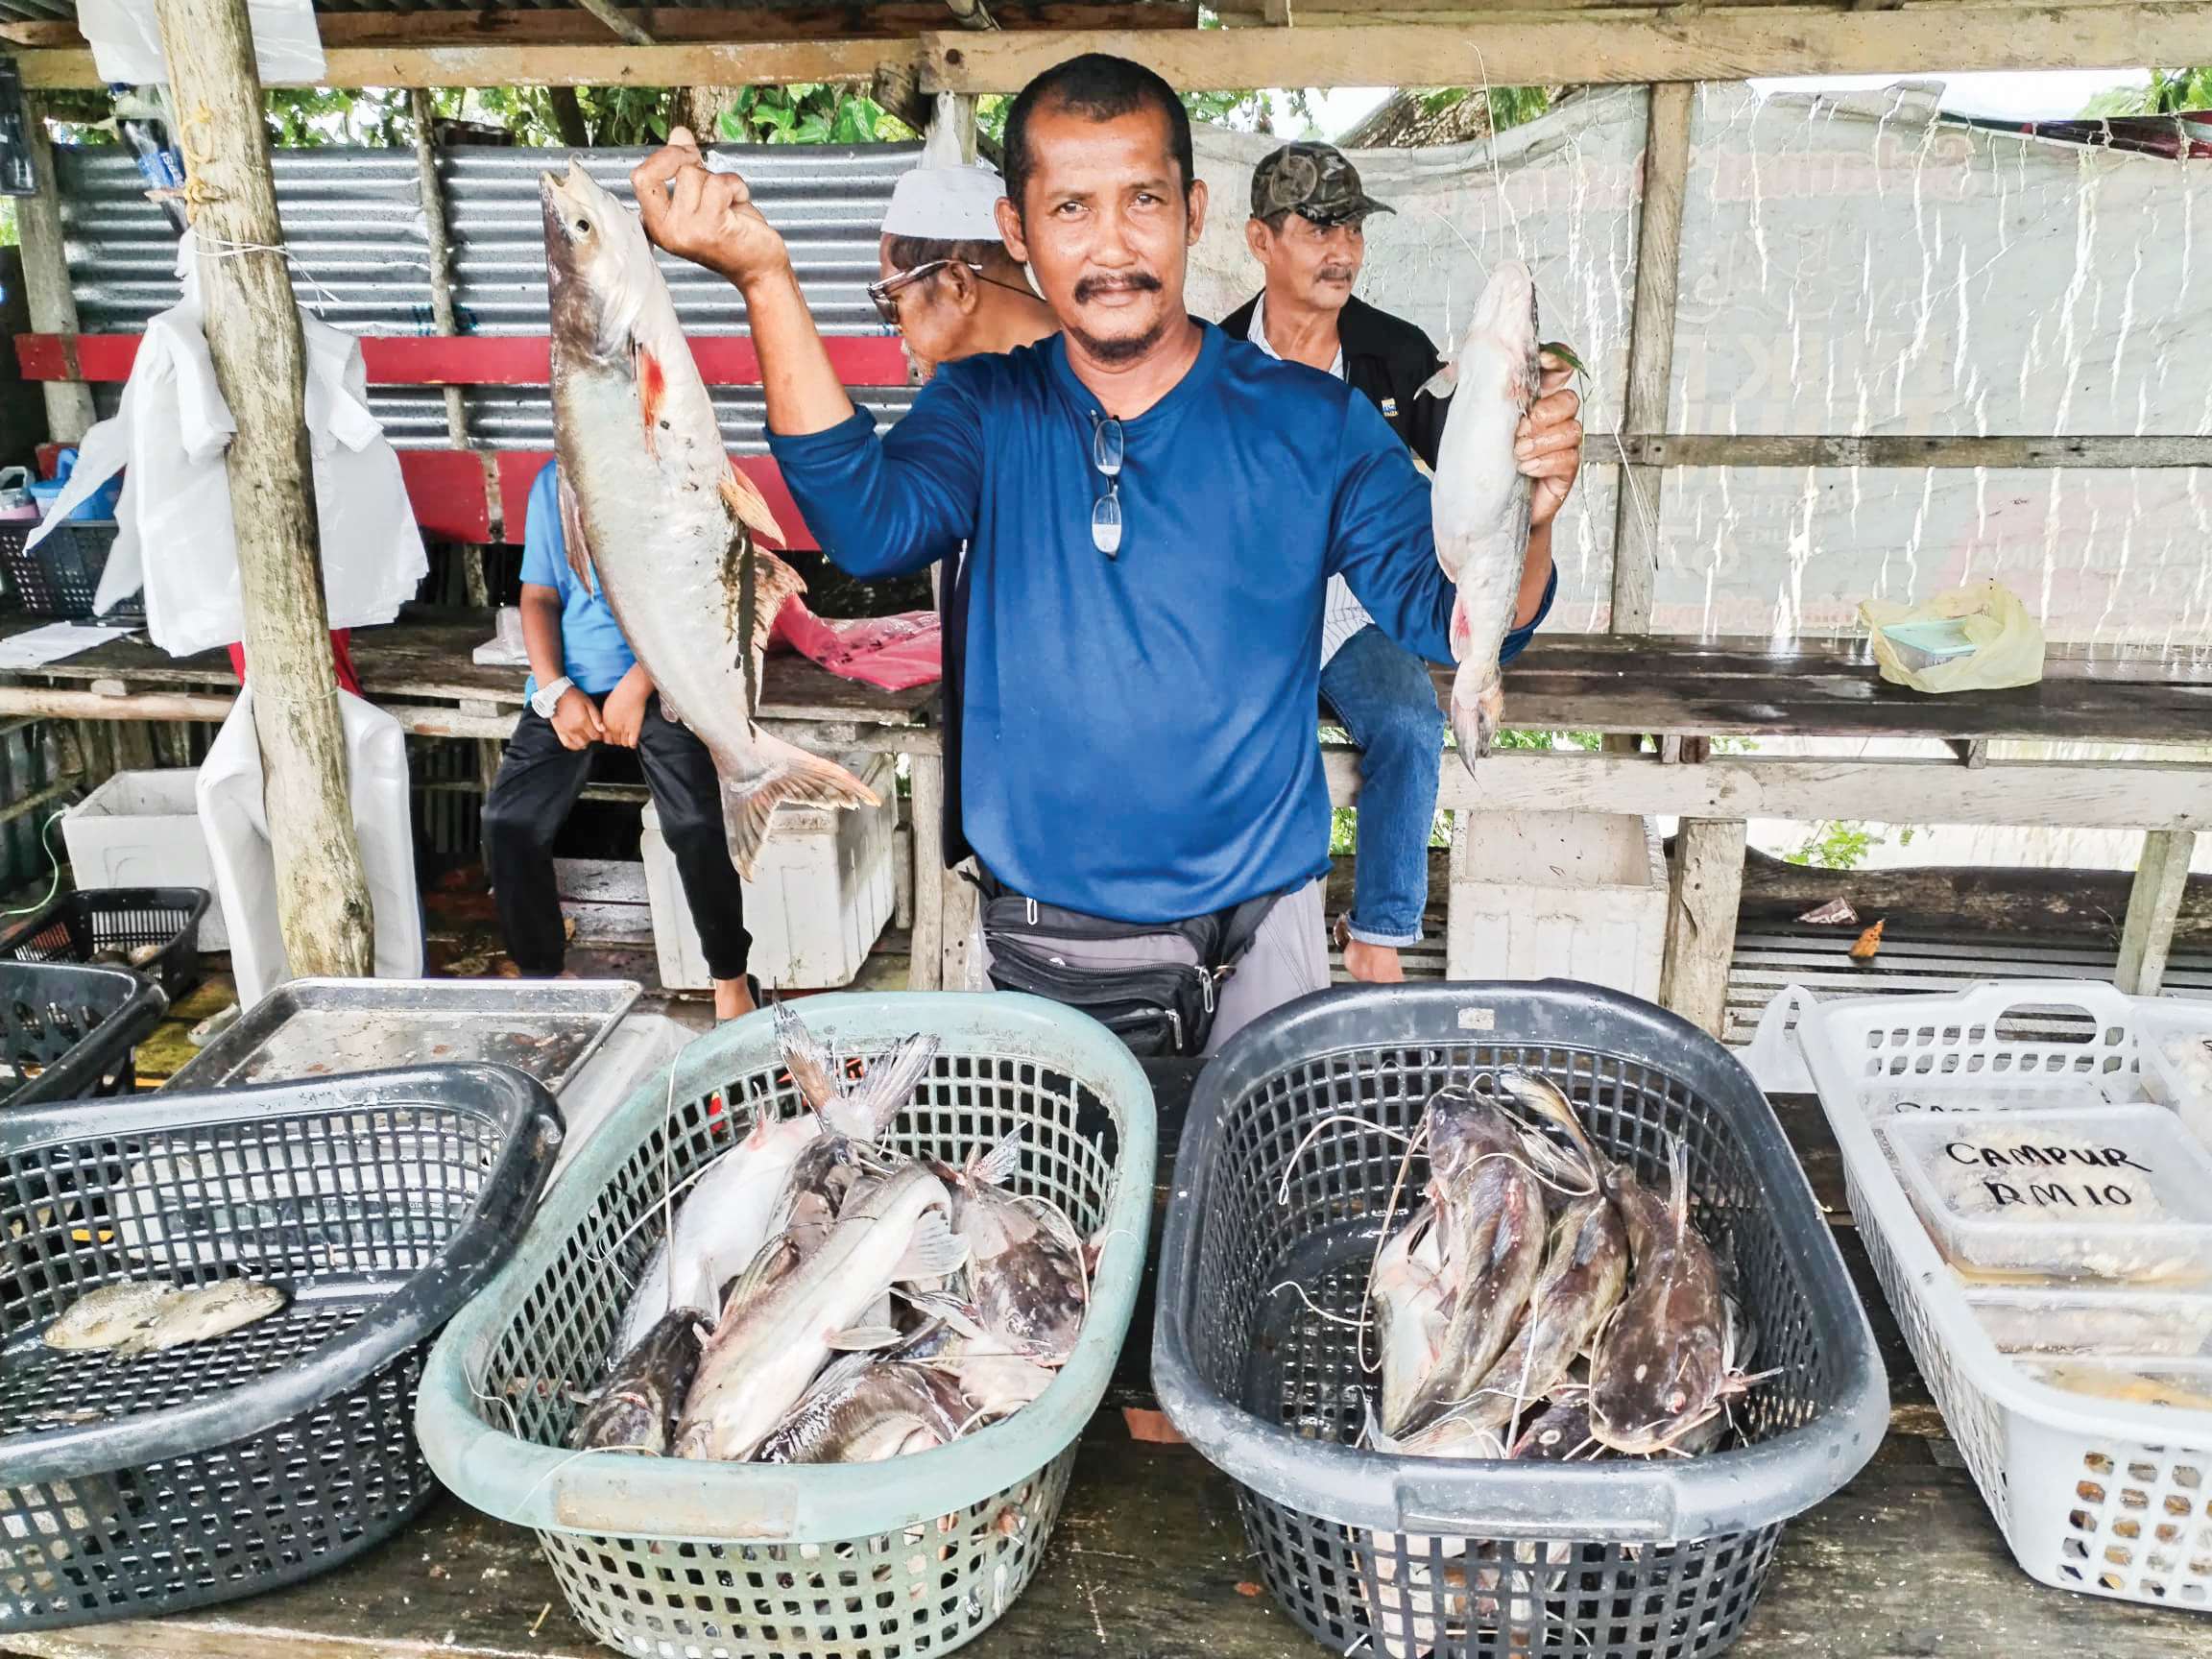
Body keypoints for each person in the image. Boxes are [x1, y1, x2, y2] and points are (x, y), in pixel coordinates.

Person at [628, 54, 1582, 1055]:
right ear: (1018, 230)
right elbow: (870, 526)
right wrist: (765, 277)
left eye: (1144, 201)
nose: (1113, 245)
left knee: (1259, 1204)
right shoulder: (984, 407)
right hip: (1048, 954)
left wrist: (1536, 513)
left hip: (1267, 947)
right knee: (1070, 1214)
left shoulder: (1314, 423)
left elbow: (1456, 620)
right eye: (1072, 208)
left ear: (1194, 211)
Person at [1220, 143, 1575, 986]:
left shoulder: (1396, 353)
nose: (1340, 247)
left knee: (1414, 725)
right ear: (1260, 240)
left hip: (1354, 604)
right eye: (1315, 227)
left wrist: (1522, 431)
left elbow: (1481, 490)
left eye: (1351, 226)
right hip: (1245, 611)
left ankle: (1379, 935)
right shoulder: (1213, 362)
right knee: (1252, 744)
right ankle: (1246, 938)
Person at [482, 460, 757, 1021]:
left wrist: (638, 685)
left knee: (694, 825)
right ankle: (544, 976)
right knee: (507, 822)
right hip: (569, 686)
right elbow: (538, 598)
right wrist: (558, 690)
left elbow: (702, 601)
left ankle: (730, 976)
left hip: (663, 677)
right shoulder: (552, 484)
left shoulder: (674, 476)